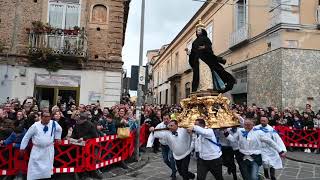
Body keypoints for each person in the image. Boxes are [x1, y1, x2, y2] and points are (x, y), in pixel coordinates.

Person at [186, 20, 236, 93]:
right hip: (197, 61)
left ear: (203, 30)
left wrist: (204, 47)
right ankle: (199, 88)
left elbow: (209, 48)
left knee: (207, 72)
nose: (198, 31)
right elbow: (193, 53)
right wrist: (189, 53)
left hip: (206, 59)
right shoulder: (194, 42)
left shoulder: (206, 39)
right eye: (197, 30)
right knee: (198, 75)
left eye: (199, 30)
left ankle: (208, 86)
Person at [20, 111, 62, 180]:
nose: (48, 118)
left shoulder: (54, 123)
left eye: (49, 117)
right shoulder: (35, 126)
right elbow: (27, 136)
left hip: (48, 150)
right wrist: (22, 147)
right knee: (35, 169)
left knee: (47, 169)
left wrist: (58, 137)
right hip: (37, 150)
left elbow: (59, 129)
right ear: (42, 117)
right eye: (46, 117)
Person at [150, 114, 177, 180]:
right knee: (165, 160)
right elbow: (154, 132)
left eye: (167, 119)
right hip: (163, 145)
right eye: (164, 119)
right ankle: (174, 169)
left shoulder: (173, 125)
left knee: (171, 158)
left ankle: (173, 173)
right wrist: (152, 129)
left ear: (170, 119)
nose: (166, 120)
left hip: (171, 145)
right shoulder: (160, 125)